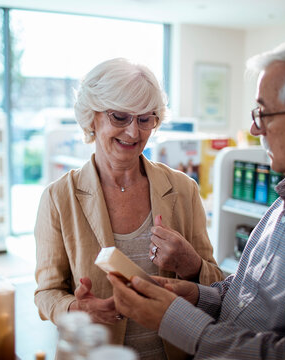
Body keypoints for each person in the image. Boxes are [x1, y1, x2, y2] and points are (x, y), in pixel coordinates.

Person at [107, 35, 285, 359]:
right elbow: (251, 296)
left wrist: (174, 320)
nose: (255, 130)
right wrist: (199, 298)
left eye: (264, 114)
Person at [34, 58, 223, 359]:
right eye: (120, 117)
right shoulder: (59, 197)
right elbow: (47, 292)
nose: (134, 133)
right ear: (91, 118)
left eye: (145, 119)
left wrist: (191, 264)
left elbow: (219, 288)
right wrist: (75, 308)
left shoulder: (183, 189)